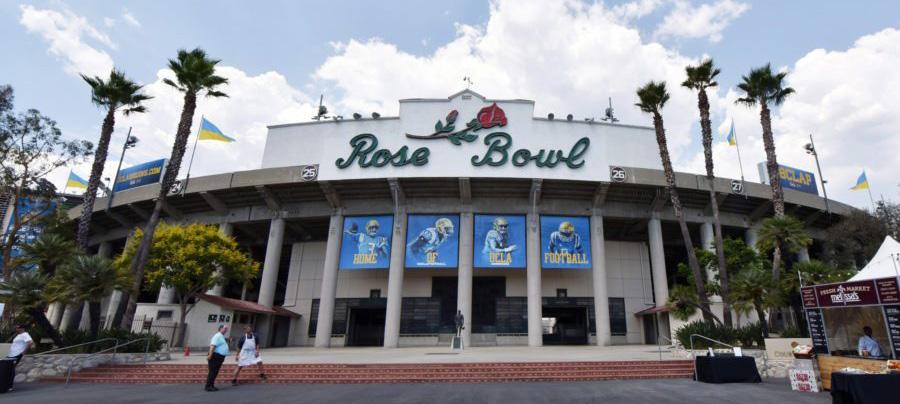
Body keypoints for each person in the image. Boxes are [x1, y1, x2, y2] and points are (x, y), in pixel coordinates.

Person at [6, 324, 33, 390]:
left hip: (17, 354)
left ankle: (10, 386)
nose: (16, 329)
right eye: (16, 328)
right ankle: (6, 384)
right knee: (8, 369)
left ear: (22, 328)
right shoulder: (18, 335)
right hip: (11, 354)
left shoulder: (25, 334)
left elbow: (30, 342)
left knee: (11, 369)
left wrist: (24, 351)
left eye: (17, 328)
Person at [205, 325, 229, 392]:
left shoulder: (221, 336)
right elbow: (213, 346)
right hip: (215, 356)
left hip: (219, 357)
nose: (226, 330)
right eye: (225, 328)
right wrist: (210, 355)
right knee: (213, 372)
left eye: (227, 329)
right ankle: (208, 386)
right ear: (220, 328)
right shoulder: (217, 336)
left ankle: (211, 385)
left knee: (215, 372)